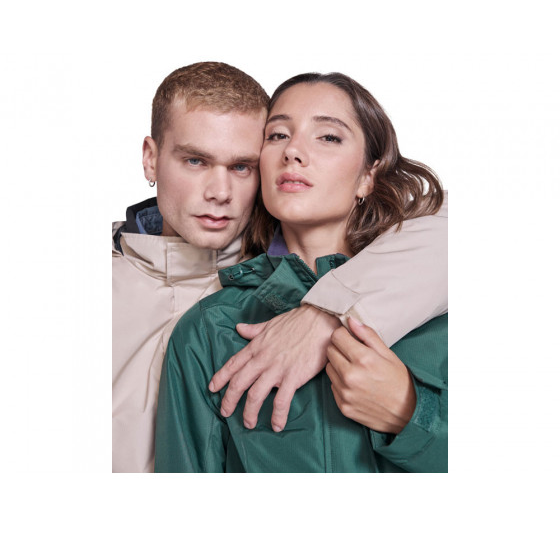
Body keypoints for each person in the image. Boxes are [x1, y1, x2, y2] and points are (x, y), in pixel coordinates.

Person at [113, 63, 447, 473]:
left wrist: (412, 413)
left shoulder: (429, 292)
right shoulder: (211, 326)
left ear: (368, 175)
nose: (293, 151)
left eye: (328, 136)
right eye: (277, 135)